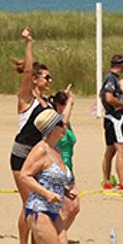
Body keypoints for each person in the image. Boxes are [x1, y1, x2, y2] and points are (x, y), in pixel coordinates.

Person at [19, 108, 75, 244]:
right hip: (39, 209)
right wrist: (46, 193)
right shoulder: (40, 150)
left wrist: (66, 191)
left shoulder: (57, 151)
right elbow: (25, 176)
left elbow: (55, 178)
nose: (64, 126)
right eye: (60, 124)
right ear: (52, 128)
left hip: (54, 209)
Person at [10, 27, 54, 244]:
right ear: (35, 79)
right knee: (28, 203)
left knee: (42, 203)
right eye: (46, 77)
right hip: (21, 154)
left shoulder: (47, 102)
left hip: (39, 156)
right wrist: (28, 43)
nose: (49, 81)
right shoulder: (26, 99)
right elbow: (27, 70)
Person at [49, 88, 81, 230]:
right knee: (66, 208)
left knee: (74, 208)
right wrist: (70, 100)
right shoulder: (54, 121)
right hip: (55, 169)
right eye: (64, 104)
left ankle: (59, 234)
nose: (67, 107)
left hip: (68, 169)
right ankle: (56, 236)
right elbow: (63, 119)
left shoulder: (67, 124)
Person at [100, 54, 123, 189]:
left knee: (110, 149)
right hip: (115, 118)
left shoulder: (112, 78)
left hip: (112, 118)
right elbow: (109, 97)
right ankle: (122, 182)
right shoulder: (111, 78)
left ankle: (107, 180)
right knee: (121, 149)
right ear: (122, 66)